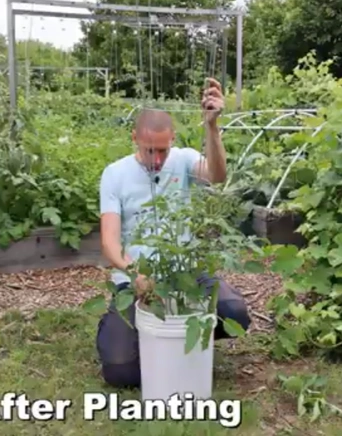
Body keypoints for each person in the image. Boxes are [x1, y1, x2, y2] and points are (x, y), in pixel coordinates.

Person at [96, 77, 252, 388]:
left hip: (186, 273)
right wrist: (134, 273)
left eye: (163, 151)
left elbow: (217, 176)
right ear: (134, 138)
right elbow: (109, 241)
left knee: (235, 313)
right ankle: (122, 326)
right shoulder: (115, 174)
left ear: (173, 140)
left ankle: (182, 337)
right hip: (136, 278)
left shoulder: (183, 159)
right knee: (121, 373)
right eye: (149, 150)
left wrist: (212, 127)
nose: (157, 160)